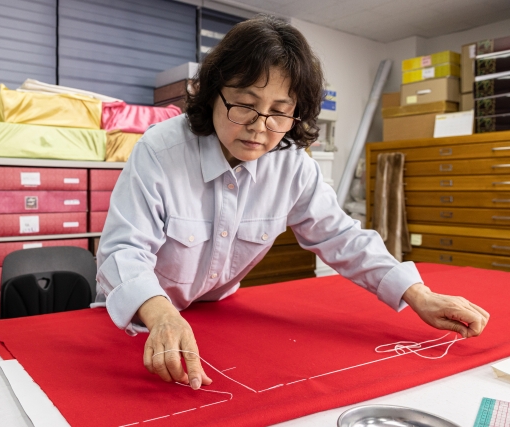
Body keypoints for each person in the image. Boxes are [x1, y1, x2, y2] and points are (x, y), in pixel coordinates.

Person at [93, 15, 489, 392]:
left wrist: (417, 295)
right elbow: (122, 251)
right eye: (245, 104)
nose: (259, 127)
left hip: (214, 316)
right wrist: (160, 314)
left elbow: (341, 237)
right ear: (214, 92)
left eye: (280, 113)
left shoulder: (291, 164)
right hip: (141, 318)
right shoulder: (161, 150)